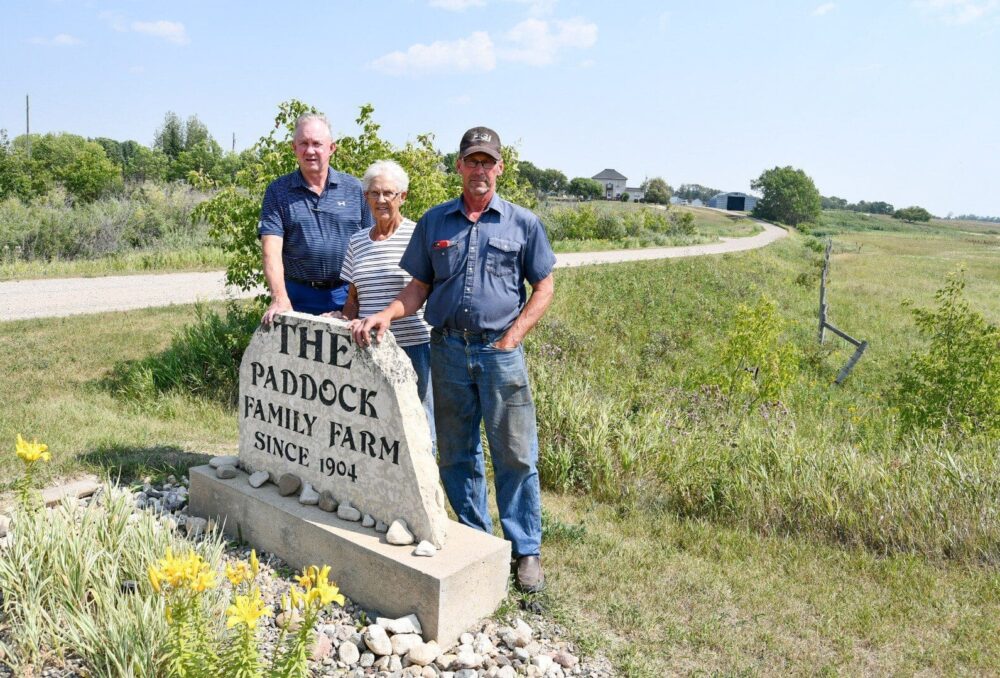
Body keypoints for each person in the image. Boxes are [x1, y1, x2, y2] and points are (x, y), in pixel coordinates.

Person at [351, 127, 556, 593]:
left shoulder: (523, 223)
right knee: (456, 452)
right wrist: (385, 313)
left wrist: (513, 337)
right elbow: (418, 287)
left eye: (488, 162)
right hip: (445, 348)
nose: (479, 170)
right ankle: (476, 538)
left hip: (499, 354)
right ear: (459, 167)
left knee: (515, 454)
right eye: (471, 161)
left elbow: (543, 287)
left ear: (500, 168)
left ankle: (526, 550)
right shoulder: (435, 222)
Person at [340, 160, 434, 445]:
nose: (381, 200)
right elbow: (353, 299)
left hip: (414, 345)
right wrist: (343, 318)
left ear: (402, 197)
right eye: (373, 193)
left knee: (419, 421)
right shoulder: (357, 242)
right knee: (373, 423)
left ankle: (423, 487)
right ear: (366, 197)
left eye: (388, 193)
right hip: (370, 348)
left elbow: (425, 288)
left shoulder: (419, 236)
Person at [258, 113, 373, 324]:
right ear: (294, 148)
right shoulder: (277, 191)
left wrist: (352, 304)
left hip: (347, 295)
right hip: (297, 296)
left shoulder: (355, 189)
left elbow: (370, 248)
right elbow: (270, 250)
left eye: (317, 144)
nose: (310, 150)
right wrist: (279, 298)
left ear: (332, 148)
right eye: (303, 143)